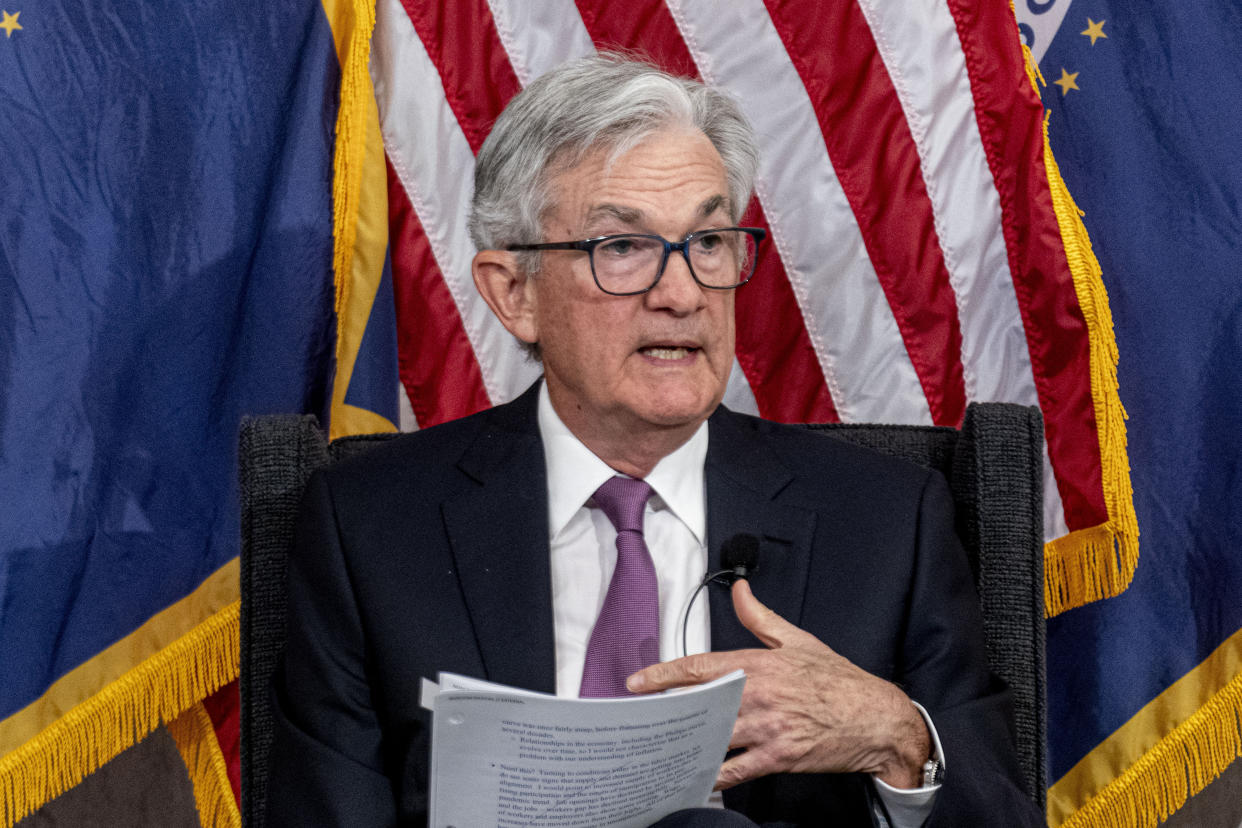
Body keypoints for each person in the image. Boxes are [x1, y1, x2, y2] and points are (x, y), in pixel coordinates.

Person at [265, 54, 1044, 827]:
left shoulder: (883, 521)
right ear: (514, 294)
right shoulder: (370, 528)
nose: (681, 294)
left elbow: (1001, 816)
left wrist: (896, 736)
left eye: (708, 243)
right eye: (622, 248)